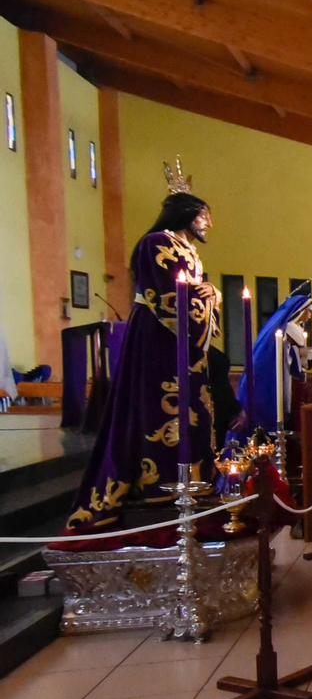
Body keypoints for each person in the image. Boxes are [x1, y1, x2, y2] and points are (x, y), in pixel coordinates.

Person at [66, 162, 222, 532]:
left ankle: (193, 479)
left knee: (193, 408)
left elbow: (194, 292)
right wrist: (206, 296)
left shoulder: (186, 249)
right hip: (159, 339)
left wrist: (210, 293)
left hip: (184, 345)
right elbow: (165, 296)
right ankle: (159, 482)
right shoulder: (156, 243)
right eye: (203, 216)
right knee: (159, 408)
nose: (207, 224)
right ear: (186, 213)